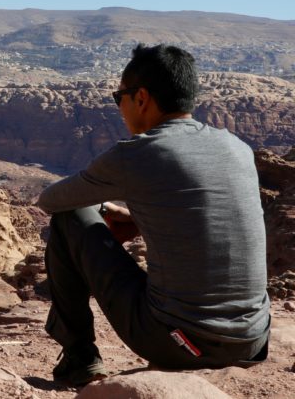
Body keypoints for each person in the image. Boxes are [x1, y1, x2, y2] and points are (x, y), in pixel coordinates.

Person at [36, 44, 270, 386]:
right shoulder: (237, 147)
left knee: (70, 216)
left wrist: (102, 209)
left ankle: (79, 359)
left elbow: (51, 200)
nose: (120, 108)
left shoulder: (138, 154)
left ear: (141, 97)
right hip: (254, 341)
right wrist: (136, 219)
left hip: (183, 343)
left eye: (120, 98)